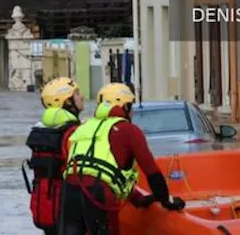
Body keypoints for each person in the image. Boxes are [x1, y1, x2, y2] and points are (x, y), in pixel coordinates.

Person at [59, 83, 185, 235]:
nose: (132, 113)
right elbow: (151, 171)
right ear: (124, 107)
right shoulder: (128, 130)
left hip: (69, 190)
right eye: (131, 107)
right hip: (98, 192)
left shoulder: (85, 126)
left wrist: (138, 199)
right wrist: (166, 200)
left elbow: (100, 168)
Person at [26, 78, 84, 235]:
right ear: (66, 102)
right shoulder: (73, 133)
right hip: (69, 205)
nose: (82, 97)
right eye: (77, 94)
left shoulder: (40, 131)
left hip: (45, 201)